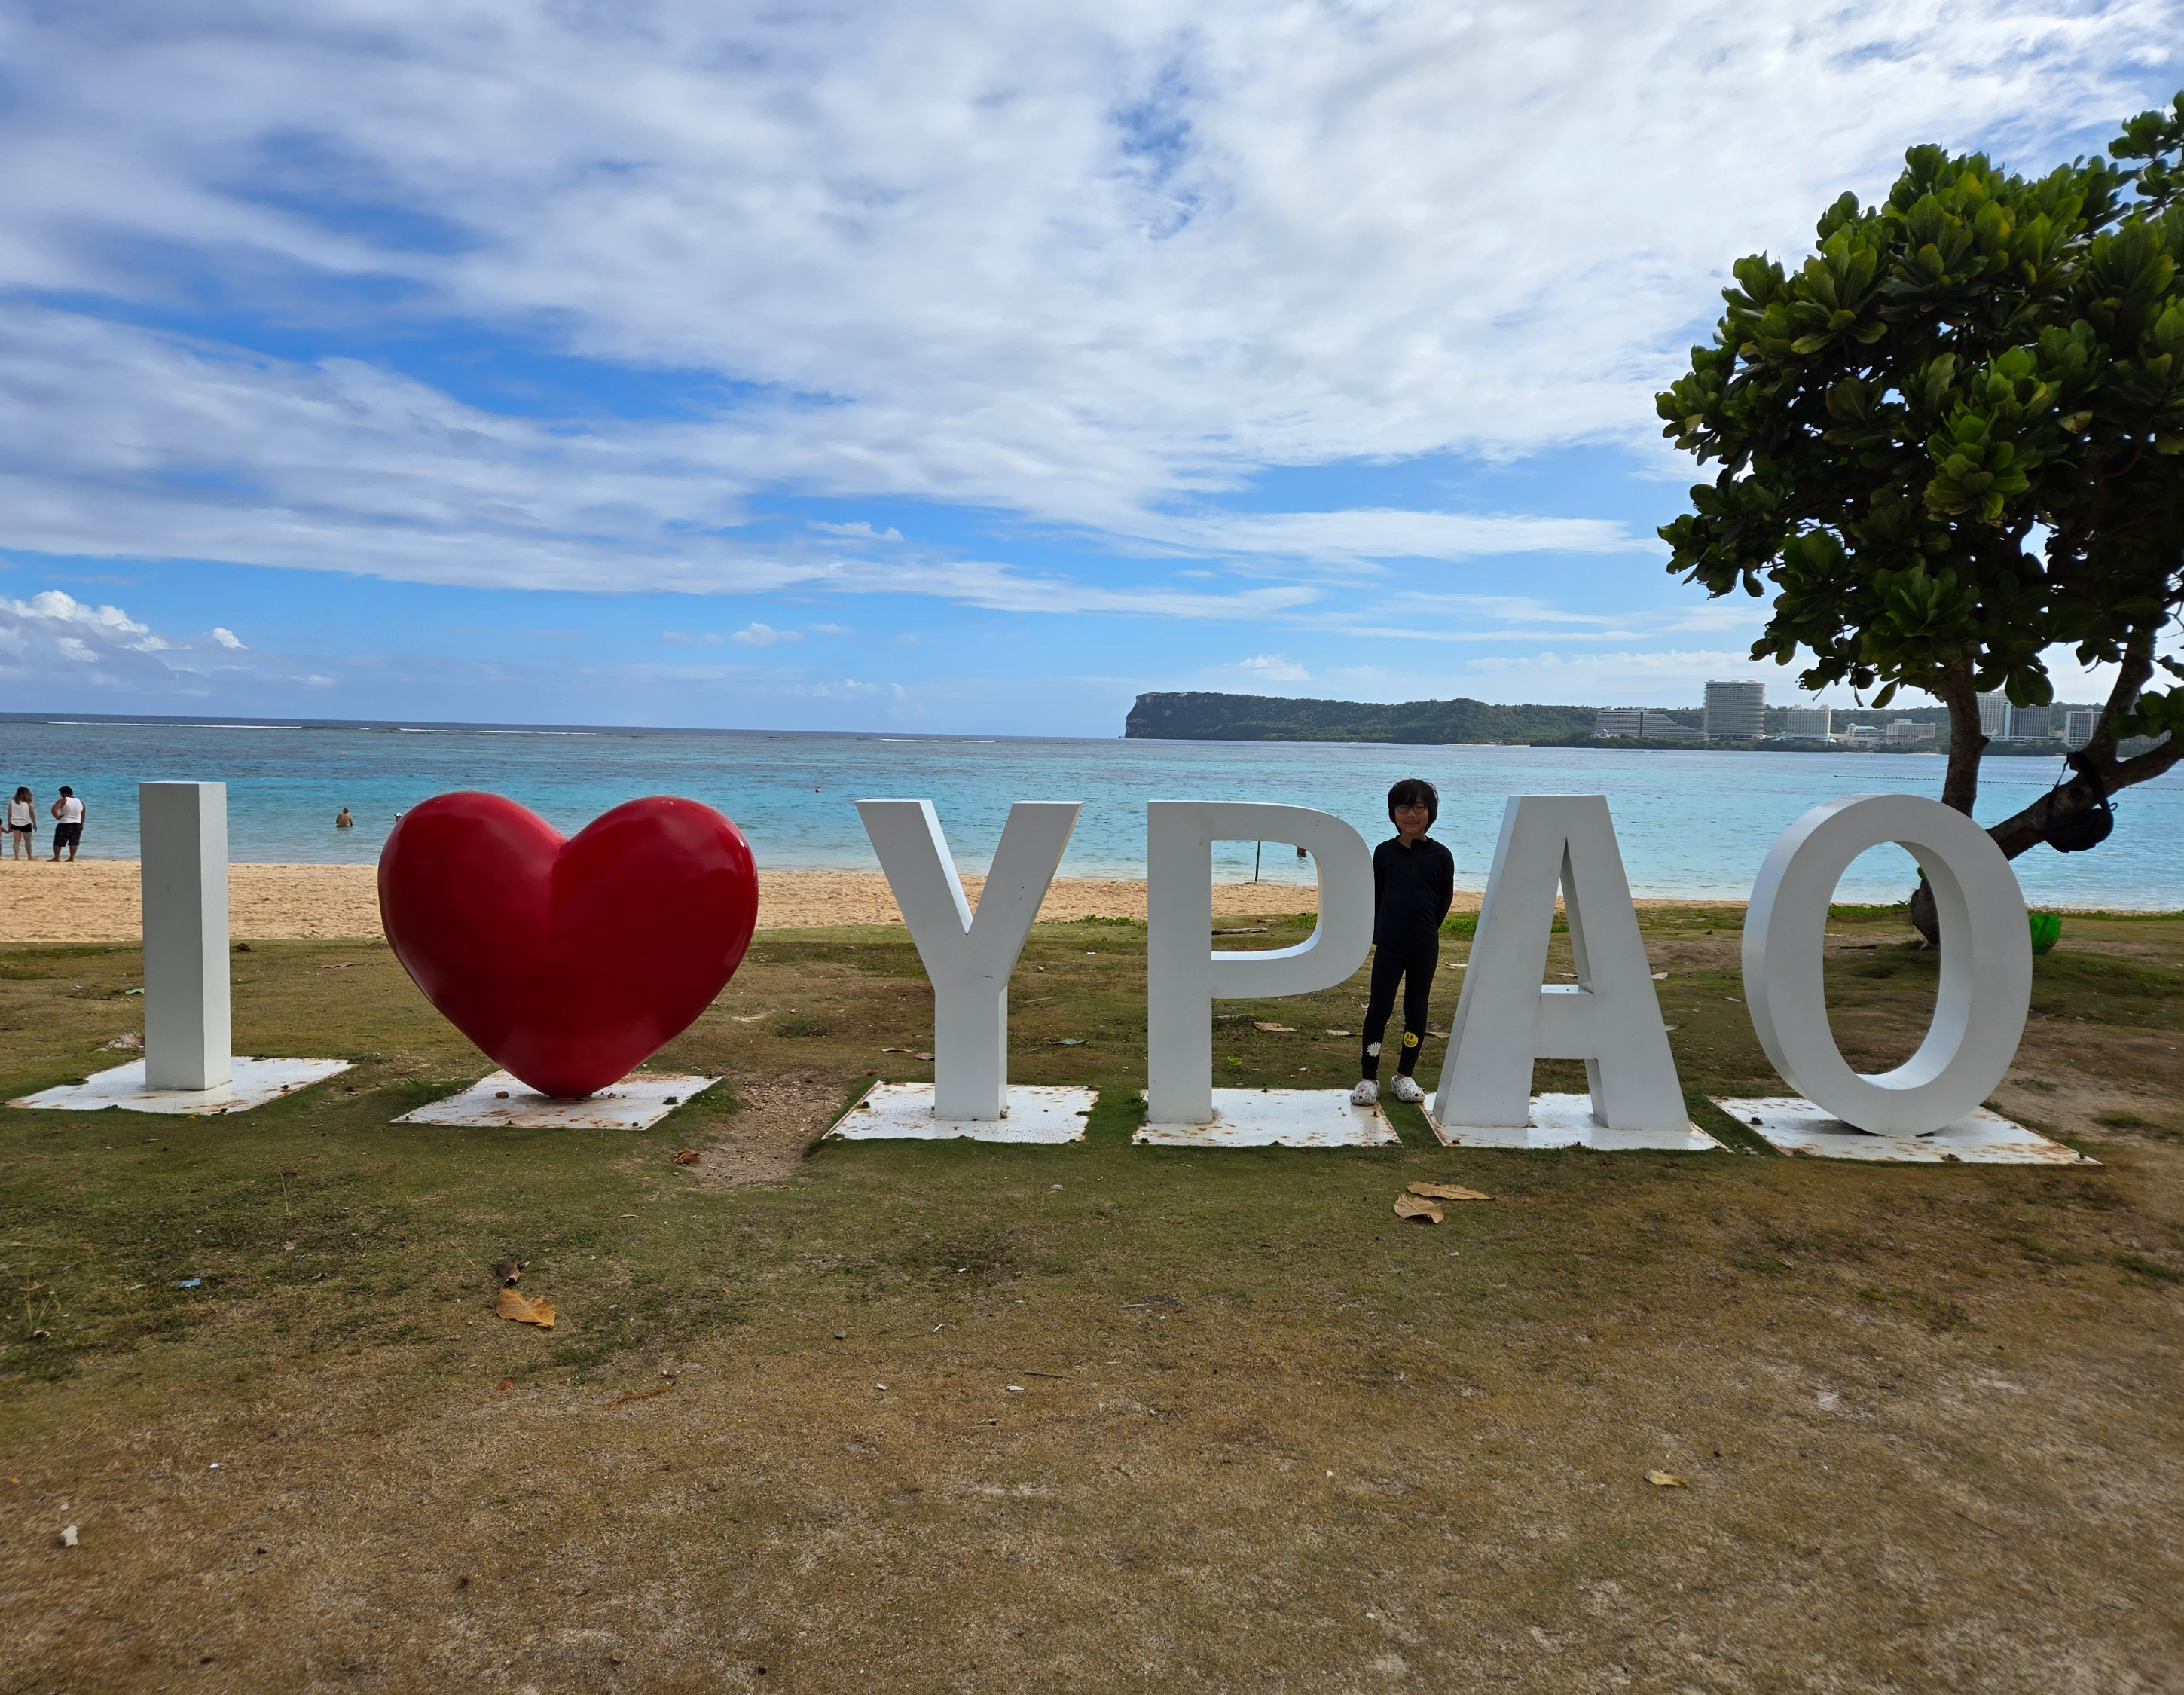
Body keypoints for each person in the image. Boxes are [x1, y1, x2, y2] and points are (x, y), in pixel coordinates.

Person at [1352, 777, 1454, 1107]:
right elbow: (1375, 898)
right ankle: (1369, 1077)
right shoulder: (1383, 853)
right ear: (1393, 813)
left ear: (1430, 811)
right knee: (1379, 1009)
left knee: (1416, 1009)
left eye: (1419, 807)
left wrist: (1424, 930)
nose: (1412, 814)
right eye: (1404, 807)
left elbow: (1443, 901)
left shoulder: (1442, 856)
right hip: (1390, 946)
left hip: (1424, 945)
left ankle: (1404, 1075)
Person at [50, 786, 86, 862]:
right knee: (74, 842)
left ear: (65, 793)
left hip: (65, 823)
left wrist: (57, 817)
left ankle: (57, 858)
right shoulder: (80, 801)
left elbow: (54, 809)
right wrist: (82, 824)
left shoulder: (63, 801)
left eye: (61, 793)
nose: (61, 795)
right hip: (77, 824)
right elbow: (83, 814)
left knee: (58, 841)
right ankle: (71, 858)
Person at [8, 787, 34, 860]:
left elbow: (9, 815)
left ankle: (16, 857)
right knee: (28, 841)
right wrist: (35, 823)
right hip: (26, 823)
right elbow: (32, 814)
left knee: (16, 841)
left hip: (15, 823)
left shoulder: (12, 802)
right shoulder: (28, 803)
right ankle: (29, 857)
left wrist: (9, 825)